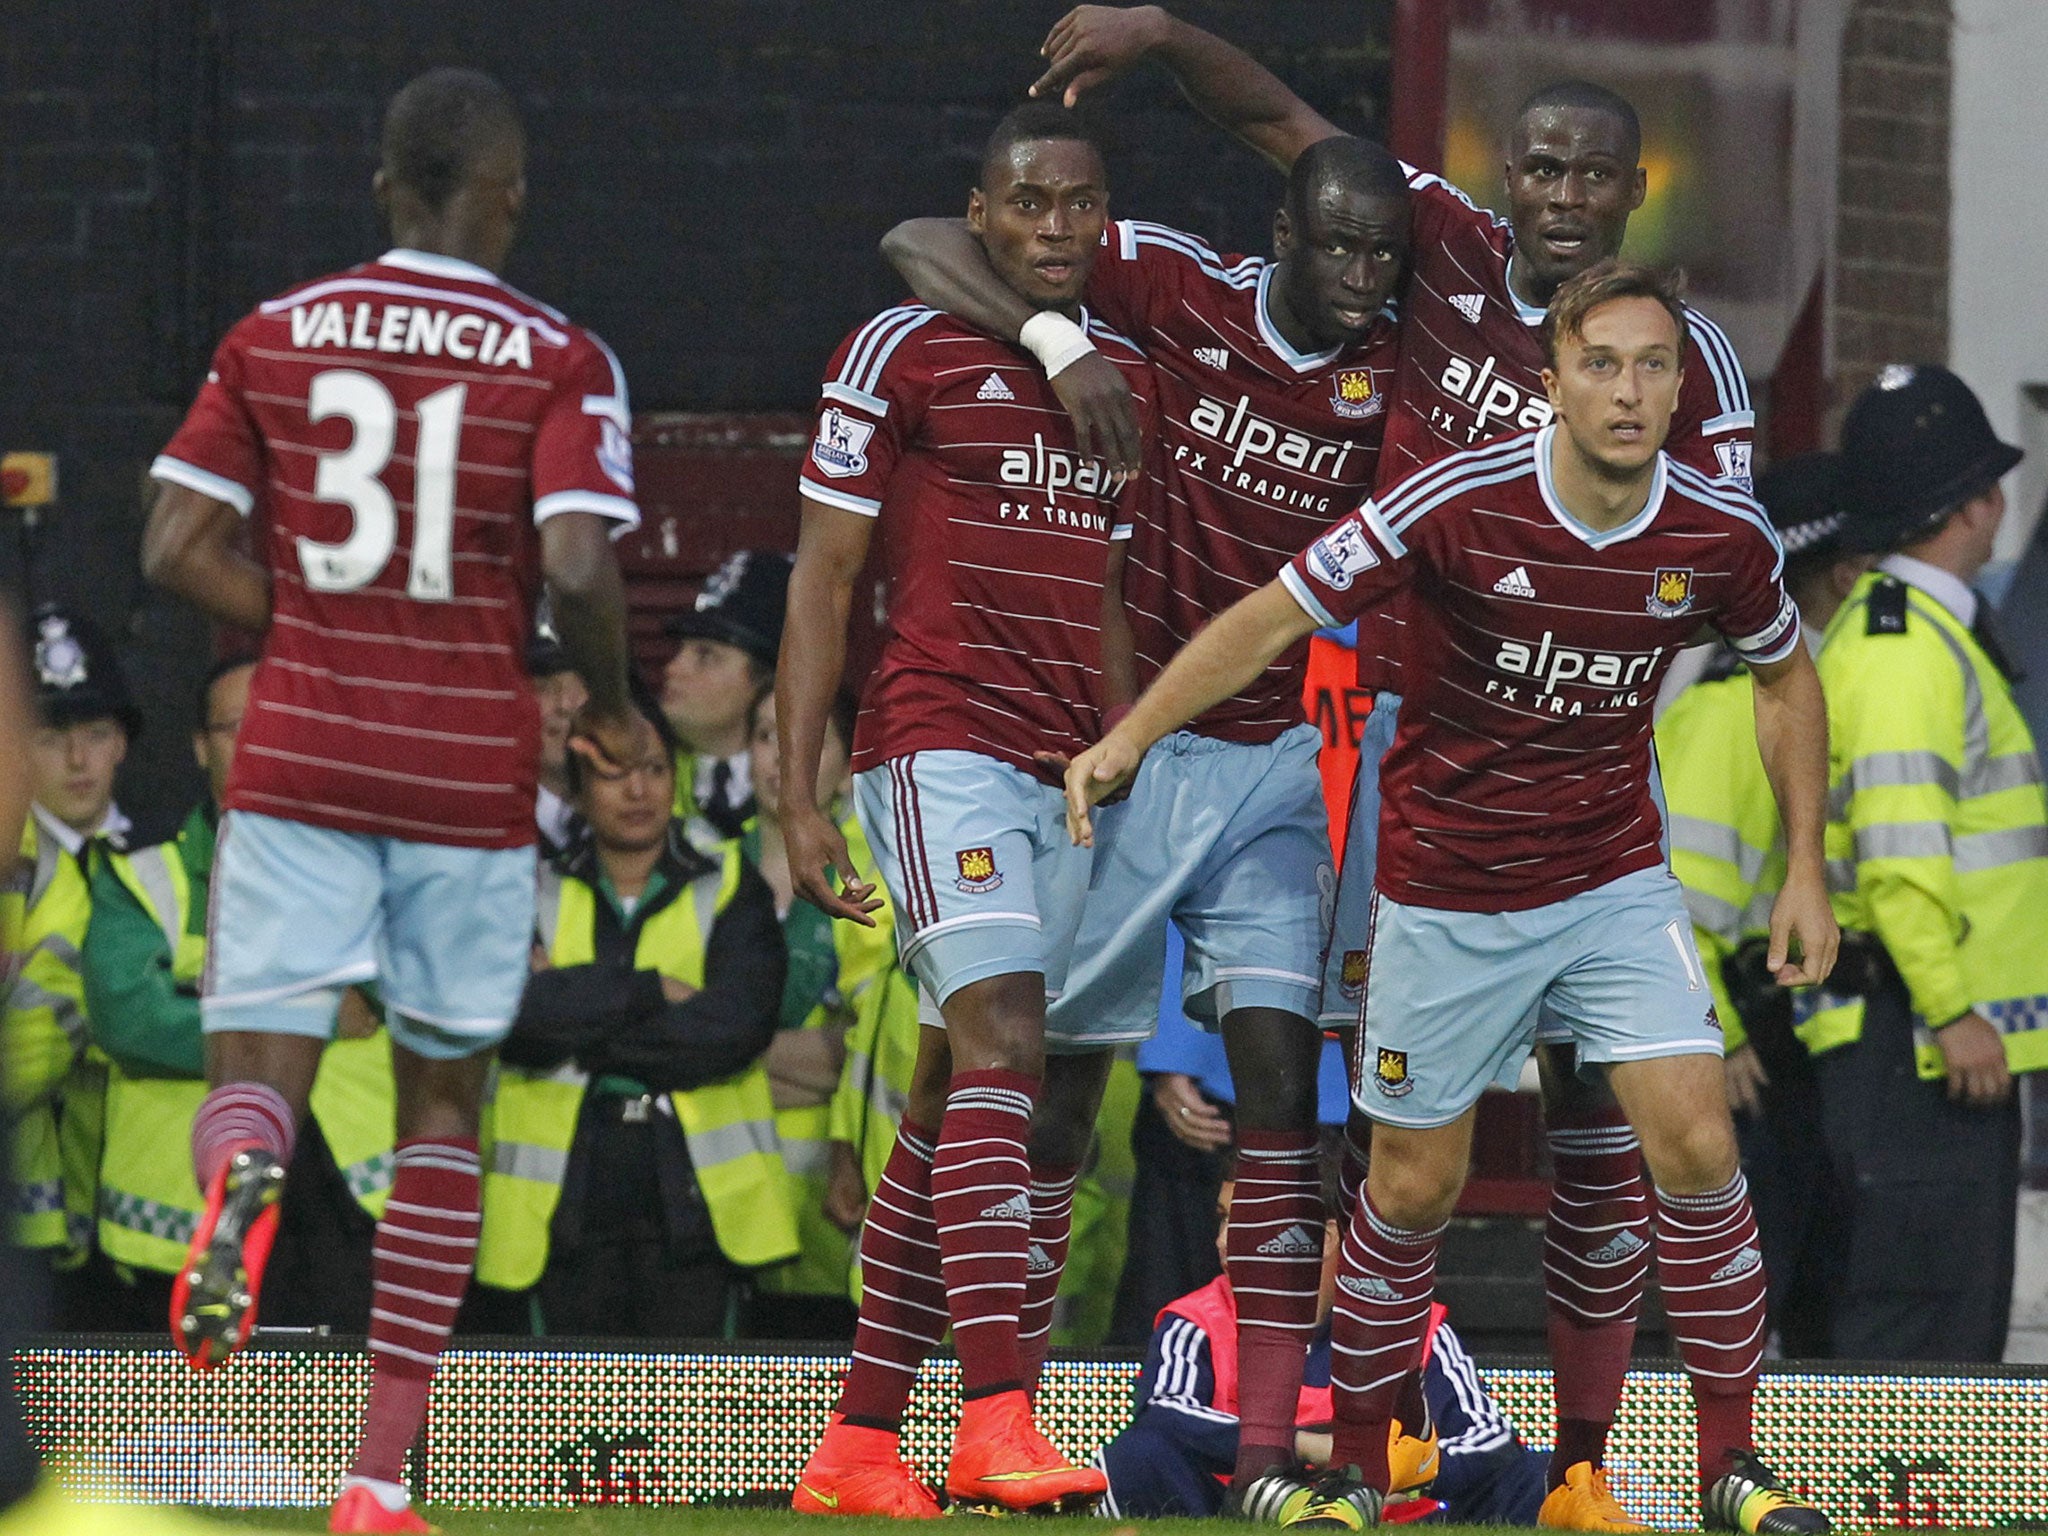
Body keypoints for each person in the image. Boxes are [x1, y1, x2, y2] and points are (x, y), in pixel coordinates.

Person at [1017, 13, 1760, 1517]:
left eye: (1590, 177)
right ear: (1510, 180)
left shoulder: (1684, 370)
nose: (1558, 195)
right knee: (1366, 1115)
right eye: (1538, 167)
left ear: (1631, 197)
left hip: (1573, 761)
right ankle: (1345, 1440)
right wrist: (1162, 35)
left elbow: (1705, 574)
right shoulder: (1441, 248)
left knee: (1595, 1114)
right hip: (1377, 735)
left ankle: (1584, 1465)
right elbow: (1286, 134)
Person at [882, 81, 1412, 1517]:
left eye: (1388, 261)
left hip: (1282, 764)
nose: (1366, 282)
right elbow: (926, 239)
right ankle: (951, 1414)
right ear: (1281, 235)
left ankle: (1261, 1462)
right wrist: (1057, 341)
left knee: (1281, 1096)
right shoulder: (1179, 286)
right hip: (1125, 745)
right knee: (1042, 1095)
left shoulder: (1402, 375)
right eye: (1343, 251)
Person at [140, 67, 653, 1535]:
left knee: (262, 1054)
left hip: (302, 744)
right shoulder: (557, 356)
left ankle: (245, 1170)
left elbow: (176, 539)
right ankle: (375, 1477)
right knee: (442, 1101)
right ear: (509, 199)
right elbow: (571, 564)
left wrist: (306, 622)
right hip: (463, 761)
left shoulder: (274, 334)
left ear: (381, 188)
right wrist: (605, 704)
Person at [782, 102, 1151, 1518]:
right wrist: (796, 790)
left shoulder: (1121, 379)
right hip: (937, 745)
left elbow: (1111, 594)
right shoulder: (901, 348)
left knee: (959, 1099)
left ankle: (860, 1444)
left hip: (1066, 773)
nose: (1057, 227)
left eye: (1081, 204)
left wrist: (1120, 758)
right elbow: (822, 576)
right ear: (981, 215)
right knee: (1004, 1046)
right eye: (1029, 202)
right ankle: (999, 1417)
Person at [1806, 364, 2047, 1361]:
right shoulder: (1911, 651)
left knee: (1929, 1312)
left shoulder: (1905, 635)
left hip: (1924, 1044)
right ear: (1972, 504)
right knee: (1923, 1330)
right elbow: (1901, 858)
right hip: (1925, 1049)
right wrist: (1952, 1014)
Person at [83, 658, 401, 1332]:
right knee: (185, 1436)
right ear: (200, 746)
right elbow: (130, 1018)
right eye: (237, 727)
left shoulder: (369, 862)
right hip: (188, 1223)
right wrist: (308, 1013)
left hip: (348, 1208)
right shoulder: (143, 874)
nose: (260, 742)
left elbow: (400, 981)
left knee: (340, 1423)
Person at [475, 685, 792, 1337]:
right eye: (615, 773)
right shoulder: (529, 888)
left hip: (698, 1208)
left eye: (654, 768)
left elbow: (732, 1030)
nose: (639, 790)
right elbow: (512, 1021)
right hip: (559, 1208)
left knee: (697, 1422)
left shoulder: (730, 881)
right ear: (580, 784)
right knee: (561, 1423)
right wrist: (650, 990)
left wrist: (578, 1014)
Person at [1655, 456, 1880, 1356]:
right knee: (1748, 1276)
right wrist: (1725, 1035)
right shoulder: (1734, 707)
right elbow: (1675, 889)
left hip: (1765, 1020)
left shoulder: (1746, 690)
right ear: (1841, 571)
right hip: (1735, 1031)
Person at [1100, 1177, 1547, 1524]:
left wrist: (1395, 1473)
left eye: (1243, 1222)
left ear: (1327, 1238)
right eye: (1221, 1219)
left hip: (1388, 1510)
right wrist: (1306, 1447)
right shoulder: (1198, 1318)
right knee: (1139, 1454)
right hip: (1246, 1505)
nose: (1221, 1241)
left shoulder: (1414, 1322)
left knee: (1539, 1475)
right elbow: (1165, 1410)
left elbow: (1489, 1440)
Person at [746, 686, 894, 1337]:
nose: (784, 758)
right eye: (764, 737)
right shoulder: (703, 866)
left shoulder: (877, 873)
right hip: (732, 1196)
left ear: (846, 761)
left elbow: (866, 1044)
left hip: (835, 1194)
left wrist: (729, 1056)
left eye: (808, 740)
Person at [8, 603, 137, 1323]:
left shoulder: (161, 862)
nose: (80, 761)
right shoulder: (11, 869)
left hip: (128, 1226)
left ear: (123, 743)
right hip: (26, 1223)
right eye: (54, 738)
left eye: (96, 733)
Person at [662, 549, 790, 838]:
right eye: (680, 650)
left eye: (706, 655)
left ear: (768, 681)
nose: (672, 668)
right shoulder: (645, 781)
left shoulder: (820, 789)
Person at [529, 613, 588, 859]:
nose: (565, 705)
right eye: (543, 688)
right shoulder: (480, 829)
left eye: (584, 684)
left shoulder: (649, 822)